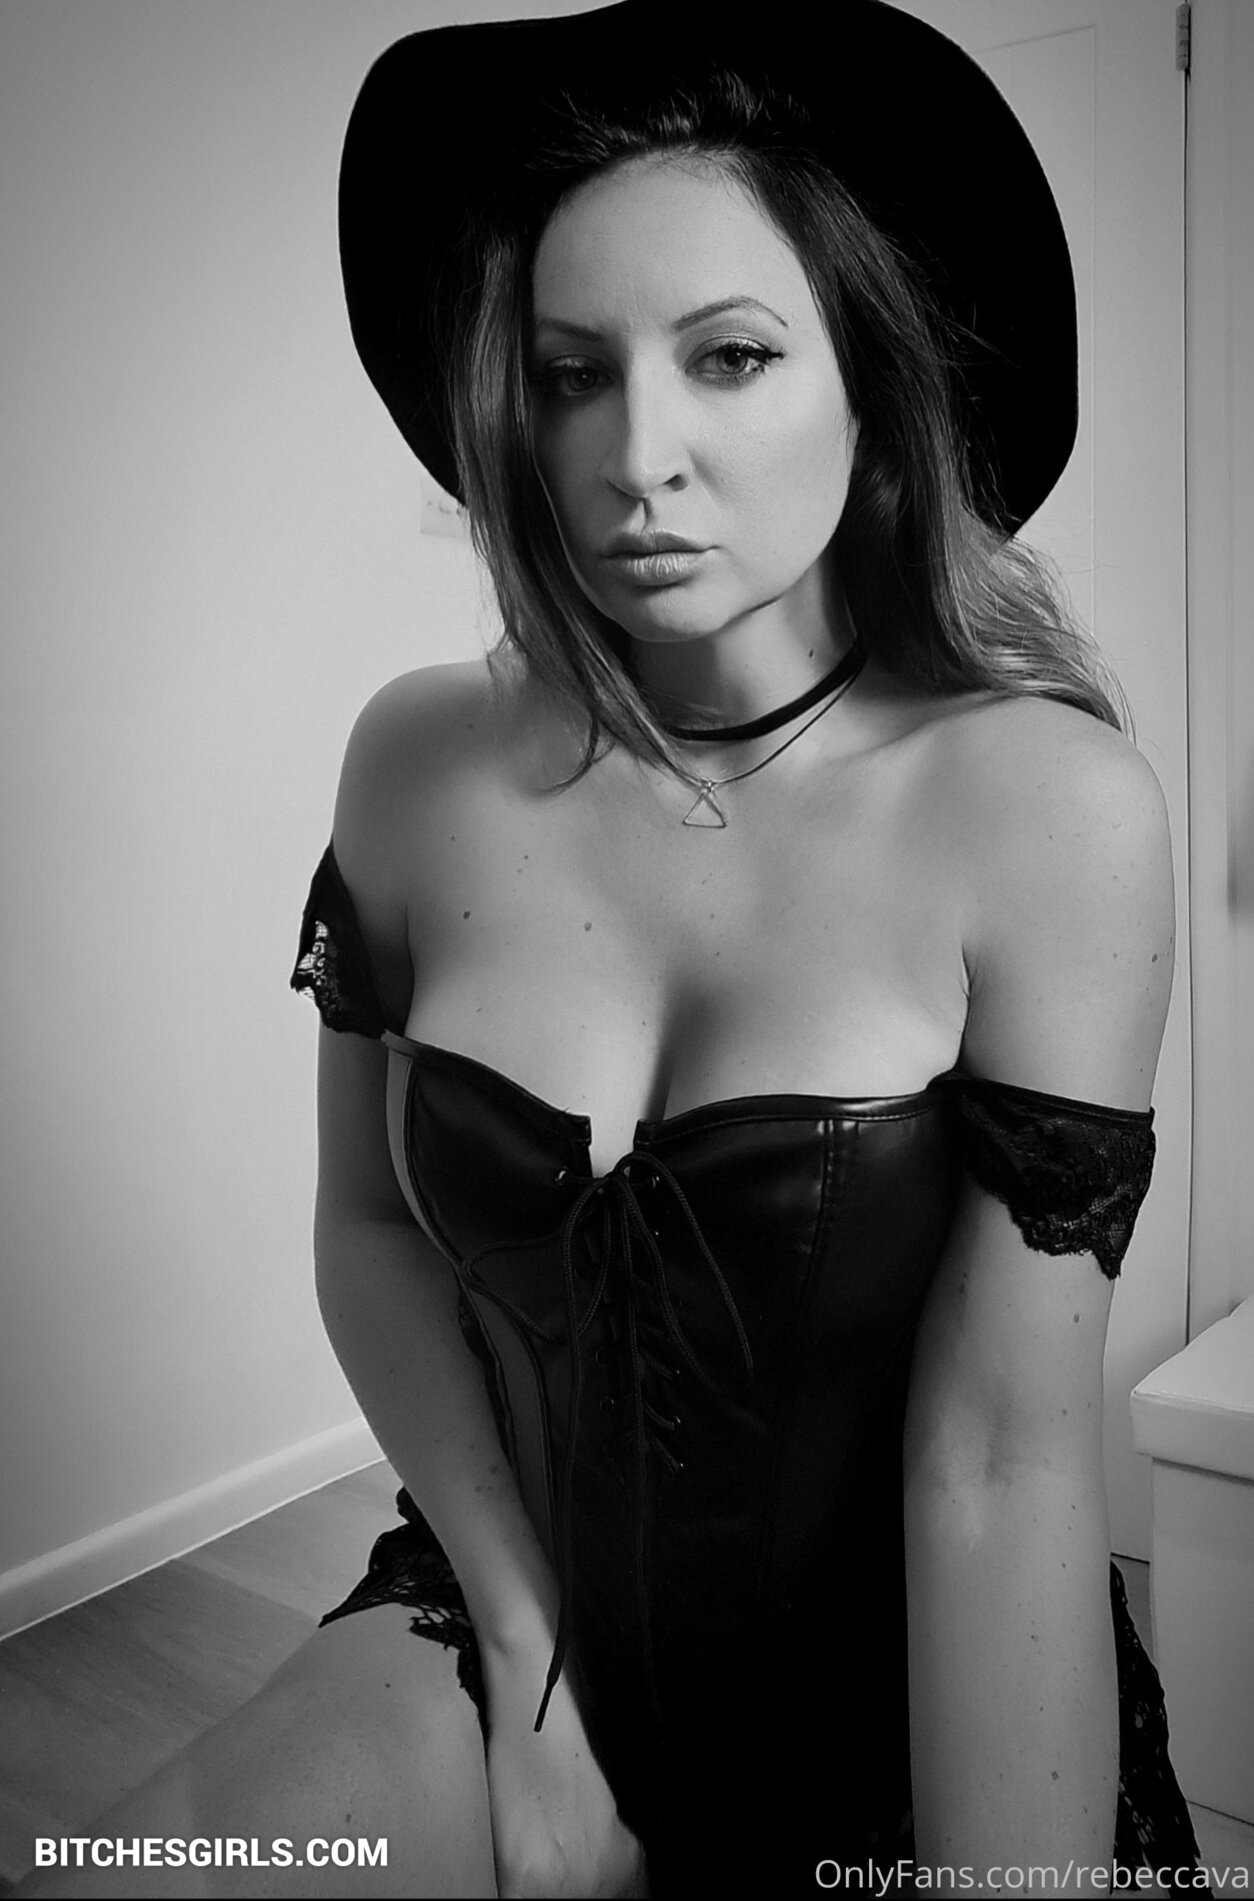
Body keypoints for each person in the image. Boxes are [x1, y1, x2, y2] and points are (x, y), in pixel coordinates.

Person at [17, 3, 1209, 1897]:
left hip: (902, 1683)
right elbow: (374, 1229)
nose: (636, 453)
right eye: (572, 375)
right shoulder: (415, 762)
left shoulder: (1044, 810)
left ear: (870, 381)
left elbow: (1000, 1455)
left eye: (729, 356)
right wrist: (526, 1659)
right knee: (139, 1861)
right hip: (513, 1611)